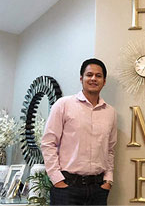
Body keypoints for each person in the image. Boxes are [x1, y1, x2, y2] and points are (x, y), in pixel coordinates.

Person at [40, 59, 117, 206]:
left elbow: (110, 149)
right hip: (67, 188)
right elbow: (48, 143)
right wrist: (57, 179)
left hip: (98, 189)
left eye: (98, 76)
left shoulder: (110, 112)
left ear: (104, 81)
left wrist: (108, 179)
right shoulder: (64, 105)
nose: (94, 78)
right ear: (81, 78)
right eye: (89, 75)